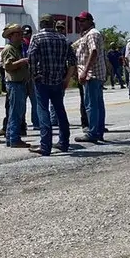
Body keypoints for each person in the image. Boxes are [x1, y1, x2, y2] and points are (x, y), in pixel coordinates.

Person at [27, 15, 76, 157]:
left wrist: (34, 75)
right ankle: (64, 142)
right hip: (58, 80)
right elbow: (72, 61)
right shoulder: (63, 39)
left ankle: (45, 145)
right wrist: (66, 79)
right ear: (53, 24)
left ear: (41, 24)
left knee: (43, 111)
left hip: (42, 80)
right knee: (60, 111)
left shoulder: (36, 38)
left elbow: (31, 59)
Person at [75, 12, 107, 144]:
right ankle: (98, 131)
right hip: (94, 75)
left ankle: (93, 132)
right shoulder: (87, 34)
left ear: (90, 21)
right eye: (79, 21)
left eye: (83, 21)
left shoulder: (92, 34)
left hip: (91, 75)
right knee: (97, 105)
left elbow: (93, 51)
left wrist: (85, 71)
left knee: (91, 105)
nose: (80, 23)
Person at [0, 24, 31, 149]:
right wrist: (23, 61)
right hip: (15, 83)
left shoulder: (18, 48)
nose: (20, 36)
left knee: (16, 111)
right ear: (10, 36)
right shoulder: (9, 49)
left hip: (20, 83)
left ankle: (11, 137)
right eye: (17, 34)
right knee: (16, 112)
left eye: (20, 34)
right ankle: (14, 138)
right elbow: (8, 66)